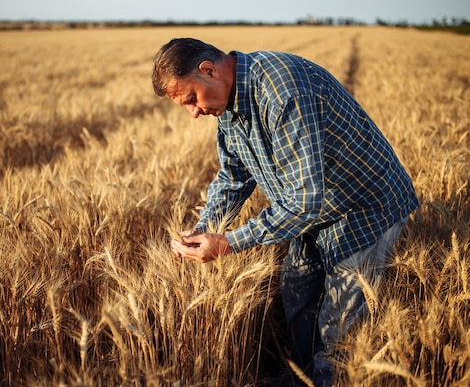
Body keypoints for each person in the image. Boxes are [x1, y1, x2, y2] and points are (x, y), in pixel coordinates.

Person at [152, 38, 419, 387]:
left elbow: (306, 199)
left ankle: (327, 380)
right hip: (315, 210)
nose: (193, 112)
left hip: (363, 207)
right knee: (296, 291)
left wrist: (230, 241)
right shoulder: (229, 106)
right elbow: (234, 176)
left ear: (209, 70)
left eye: (191, 99)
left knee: (338, 329)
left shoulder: (283, 91)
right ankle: (299, 379)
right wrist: (204, 228)